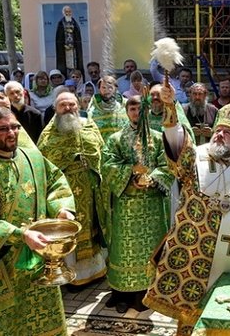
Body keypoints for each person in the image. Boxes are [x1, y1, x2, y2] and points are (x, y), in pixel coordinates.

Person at [143, 87, 230, 335]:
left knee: (220, 319)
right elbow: (177, 141)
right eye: (217, 130)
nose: (219, 135)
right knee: (188, 319)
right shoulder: (195, 158)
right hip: (189, 255)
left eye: (227, 133)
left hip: (229, 258)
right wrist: (170, 107)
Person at [0, 107, 76, 335]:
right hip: (5, 263)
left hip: (41, 257)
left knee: (46, 319)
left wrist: (62, 209)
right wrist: (21, 235)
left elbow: (56, 182)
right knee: (9, 325)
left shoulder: (34, 158)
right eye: (3, 129)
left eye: (15, 127)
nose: (11, 133)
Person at [101, 95, 173, 313]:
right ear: (126, 111)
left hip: (152, 206)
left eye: (140, 108)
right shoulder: (115, 139)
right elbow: (108, 164)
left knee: (150, 250)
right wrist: (131, 174)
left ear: (147, 111)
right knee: (124, 249)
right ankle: (121, 293)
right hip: (126, 205)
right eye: (132, 108)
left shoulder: (159, 138)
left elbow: (168, 165)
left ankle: (147, 293)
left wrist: (152, 179)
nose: (135, 112)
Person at [37, 92, 107, 289]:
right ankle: (70, 273)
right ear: (55, 109)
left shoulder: (89, 125)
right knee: (68, 228)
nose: (68, 109)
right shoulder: (49, 134)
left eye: (72, 105)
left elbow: (99, 151)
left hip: (90, 188)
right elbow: (45, 162)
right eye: (63, 105)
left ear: (78, 106)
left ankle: (95, 271)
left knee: (92, 226)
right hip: (64, 192)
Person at [86, 75, 129, 144]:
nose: (106, 91)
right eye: (103, 87)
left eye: (110, 87)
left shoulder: (126, 105)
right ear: (99, 89)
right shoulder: (92, 109)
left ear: (115, 88)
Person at [55, 5, 84, 78]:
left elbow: (77, 36)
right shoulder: (61, 23)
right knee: (65, 66)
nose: (68, 13)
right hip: (64, 50)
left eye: (69, 11)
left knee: (75, 65)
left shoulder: (74, 23)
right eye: (66, 12)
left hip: (73, 50)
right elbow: (59, 38)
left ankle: (75, 77)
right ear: (63, 13)